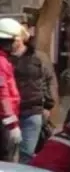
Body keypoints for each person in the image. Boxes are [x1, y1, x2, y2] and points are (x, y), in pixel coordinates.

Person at [9, 27, 57, 163]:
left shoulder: (39, 57)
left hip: (32, 110)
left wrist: (48, 105)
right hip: (10, 111)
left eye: (15, 38)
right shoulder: (5, 57)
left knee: (27, 153)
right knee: (7, 151)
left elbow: (50, 80)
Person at [0, 18, 22, 162]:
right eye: (15, 40)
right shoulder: (1, 63)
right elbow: (2, 95)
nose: (17, 44)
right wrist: (12, 125)